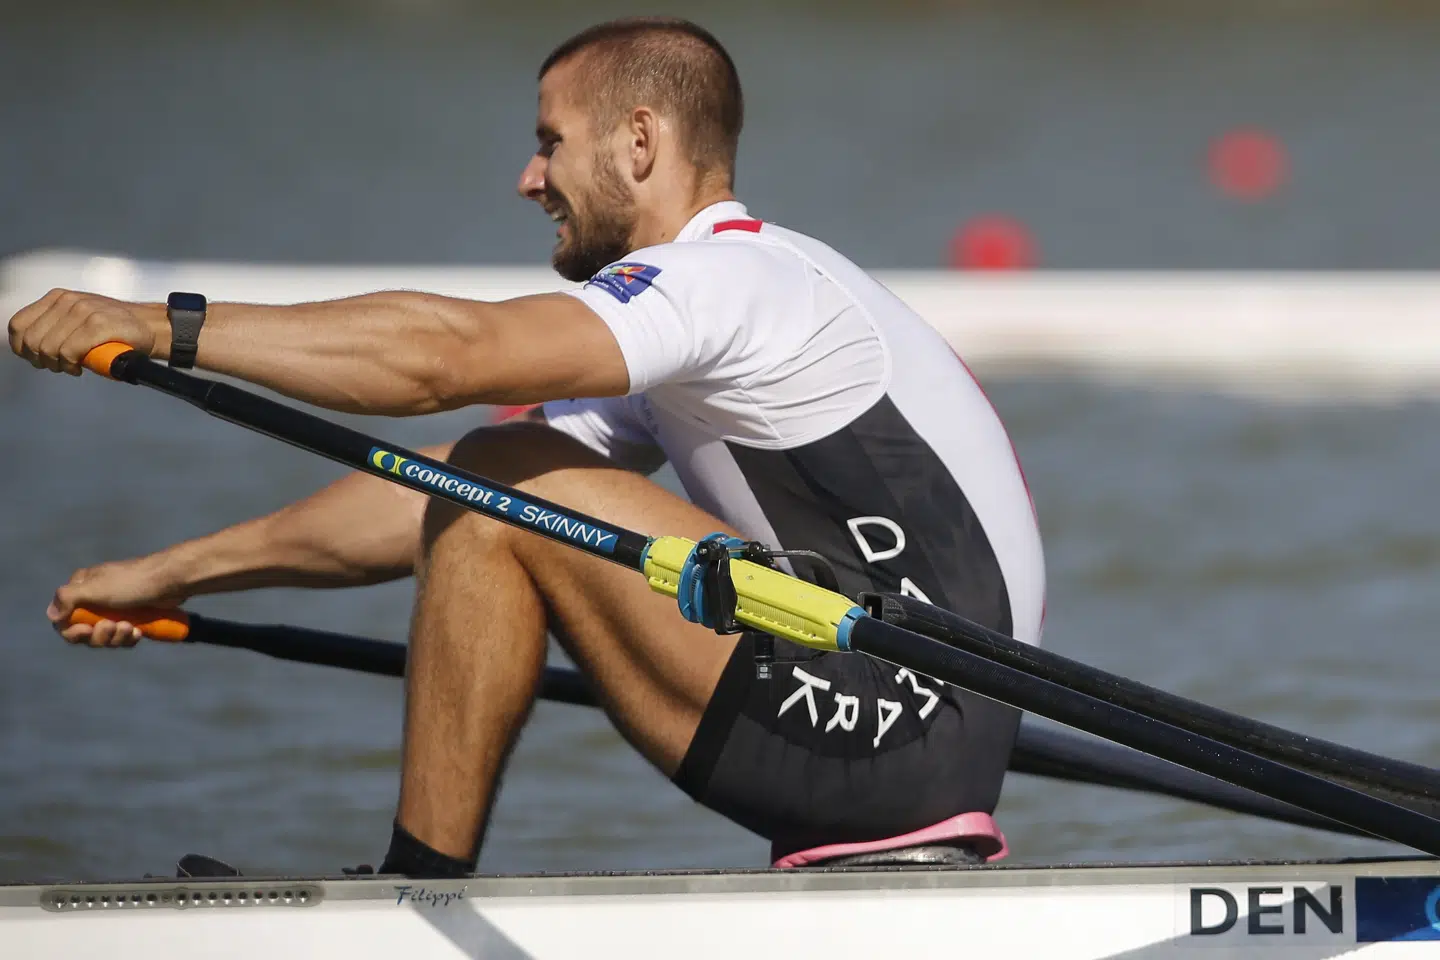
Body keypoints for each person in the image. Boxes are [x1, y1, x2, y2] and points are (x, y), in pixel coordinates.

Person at [6, 17, 1045, 877]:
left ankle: (416, 890)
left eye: (550, 141)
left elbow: (447, 361)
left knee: (501, 481)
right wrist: (178, 574)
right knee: (492, 482)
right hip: (907, 727)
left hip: (898, 720)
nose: (528, 176)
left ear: (639, 143)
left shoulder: (725, 284)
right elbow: (431, 491)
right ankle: (419, 887)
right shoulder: (730, 306)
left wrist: (161, 326)